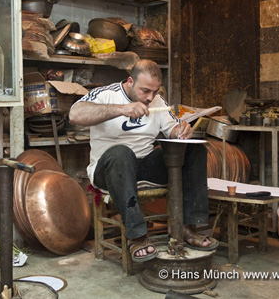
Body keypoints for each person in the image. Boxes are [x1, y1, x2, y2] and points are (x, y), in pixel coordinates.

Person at [69, 59, 218, 262]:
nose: (150, 97)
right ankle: (137, 236)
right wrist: (121, 109)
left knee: (194, 149)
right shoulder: (106, 94)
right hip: (109, 169)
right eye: (145, 91)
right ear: (130, 81)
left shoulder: (158, 101)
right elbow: (75, 114)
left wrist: (181, 130)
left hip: (144, 166)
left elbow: (172, 128)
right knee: (121, 152)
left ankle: (187, 227)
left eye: (155, 92)